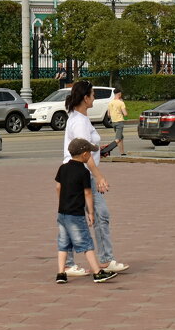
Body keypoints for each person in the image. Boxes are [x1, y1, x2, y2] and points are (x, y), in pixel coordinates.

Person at [61, 80, 128, 275]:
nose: (94, 97)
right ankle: (99, 260)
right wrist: (99, 176)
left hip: (79, 174)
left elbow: (87, 147)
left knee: (84, 217)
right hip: (82, 175)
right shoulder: (80, 121)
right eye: (92, 94)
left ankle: (93, 260)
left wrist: (99, 149)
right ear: (85, 98)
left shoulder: (78, 117)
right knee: (95, 216)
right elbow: (83, 152)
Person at [54, 138, 119, 284]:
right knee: (86, 243)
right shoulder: (83, 172)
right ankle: (97, 272)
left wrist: (61, 202)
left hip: (62, 213)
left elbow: (58, 187)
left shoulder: (62, 168)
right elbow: (88, 193)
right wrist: (90, 212)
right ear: (84, 155)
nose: (91, 155)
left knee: (63, 243)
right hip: (76, 214)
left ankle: (60, 273)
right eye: (90, 152)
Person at [107, 87, 127, 156]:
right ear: (119, 94)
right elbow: (125, 114)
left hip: (114, 122)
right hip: (119, 122)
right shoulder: (121, 103)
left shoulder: (110, 103)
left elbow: (108, 115)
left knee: (121, 137)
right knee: (118, 139)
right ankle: (106, 150)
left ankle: (122, 152)